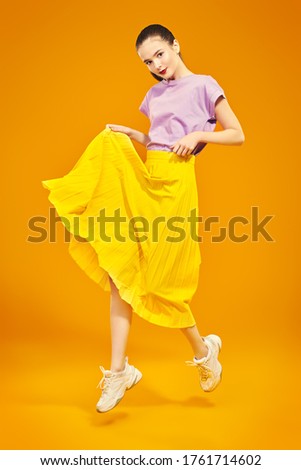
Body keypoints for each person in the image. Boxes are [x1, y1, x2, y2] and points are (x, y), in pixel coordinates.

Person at [41, 24, 245, 414]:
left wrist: (200, 138)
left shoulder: (204, 85)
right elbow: (159, 141)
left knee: (163, 280)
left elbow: (237, 134)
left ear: (175, 46)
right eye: (148, 61)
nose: (156, 65)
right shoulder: (153, 94)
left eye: (160, 55)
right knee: (123, 271)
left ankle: (205, 353)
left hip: (177, 187)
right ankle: (119, 373)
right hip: (149, 178)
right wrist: (134, 134)